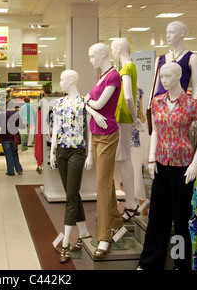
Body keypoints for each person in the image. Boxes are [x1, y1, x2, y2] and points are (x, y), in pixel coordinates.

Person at [138, 62, 197, 270]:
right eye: (162, 76)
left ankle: (180, 263)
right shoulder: (157, 101)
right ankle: (149, 263)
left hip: (183, 167)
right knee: (157, 217)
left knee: (181, 219)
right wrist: (151, 158)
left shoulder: (191, 104)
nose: (163, 80)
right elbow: (156, 132)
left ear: (178, 76)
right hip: (161, 164)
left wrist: (195, 163)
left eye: (167, 76)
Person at [84, 43, 124, 260]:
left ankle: (104, 236)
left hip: (108, 134)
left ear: (102, 55)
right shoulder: (101, 77)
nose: (91, 60)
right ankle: (116, 221)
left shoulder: (113, 77)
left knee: (101, 183)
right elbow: (91, 106)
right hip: (96, 133)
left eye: (92, 56)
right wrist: (89, 105)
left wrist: (88, 104)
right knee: (105, 182)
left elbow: (97, 104)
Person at [50, 69, 93, 264]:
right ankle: (84, 233)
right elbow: (56, 127)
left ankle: (66, 243)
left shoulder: (84, 101)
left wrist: (90, 153)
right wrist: (52, 152)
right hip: (61, 150)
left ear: (70, 80)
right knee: (72, 193)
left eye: (62, 79)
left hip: (77, 150)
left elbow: (89, 130)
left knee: (70, 196)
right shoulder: (58, 103)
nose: (60, 83)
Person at [110, 38, 144, 221]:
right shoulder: (129, 67)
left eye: (112, 48)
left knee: (124, 159)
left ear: (118, 48)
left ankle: (131, 204)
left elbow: (129, 97)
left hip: (123, 118)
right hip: (123, 118)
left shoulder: (126, 68)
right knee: (123, 159)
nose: (112, 52)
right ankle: (130, 202)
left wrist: (135, 117)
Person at [151, 21, 197, 101]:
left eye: (171, 32)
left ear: (182, 33)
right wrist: (151, 106)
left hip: (179, 105)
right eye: (167, 32)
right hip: (159, 105)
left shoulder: (192, 58)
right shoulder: (160, 59)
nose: (167, 36)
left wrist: (194, 108)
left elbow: (196, 87)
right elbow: (155, 86)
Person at [0, 103, 23, 176]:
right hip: (14, 136)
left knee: (8, 154)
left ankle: (10, 171)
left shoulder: (1, 115)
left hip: (5, 137)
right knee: (15, 153)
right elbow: (21, 125)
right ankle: (19, 169)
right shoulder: (16, 114)